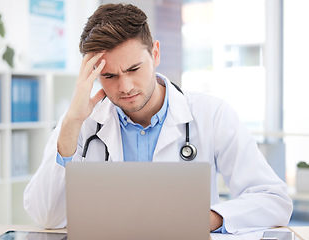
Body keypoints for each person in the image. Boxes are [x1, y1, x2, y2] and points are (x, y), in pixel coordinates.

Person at [24, 3, 292, 234]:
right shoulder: (81, 121)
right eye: (109, 76)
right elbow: (46, 215)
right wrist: (71, 123)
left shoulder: (212, 115)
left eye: (134, 69)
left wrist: (207, 218)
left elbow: (274, 200)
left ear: (155, 54)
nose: (125, 86)